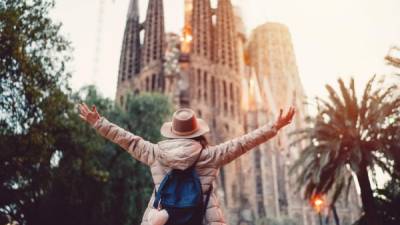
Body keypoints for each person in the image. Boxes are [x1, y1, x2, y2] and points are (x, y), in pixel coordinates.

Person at [78, 104, 295, 225]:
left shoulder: (155, 153)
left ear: (172, 134)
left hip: (163, 220)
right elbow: (244, 143)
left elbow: (127, 139)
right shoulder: (210, 155)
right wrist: (274, 126)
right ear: (198, 133)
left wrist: (99, 122)